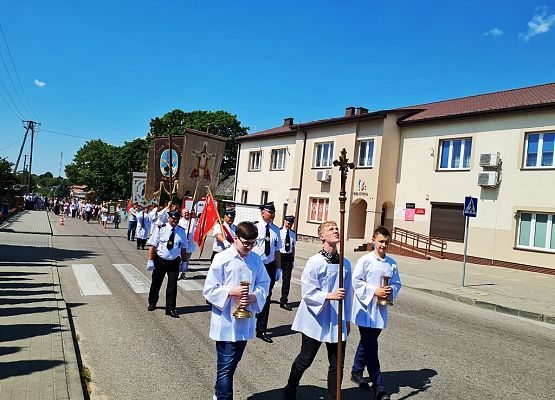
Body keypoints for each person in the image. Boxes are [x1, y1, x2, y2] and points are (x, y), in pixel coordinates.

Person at [282, 221, 352, 400]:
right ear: (322, 236)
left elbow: (349, 294)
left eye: (337, 228)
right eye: (331, 229)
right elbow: (308, 292)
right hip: (317, 317)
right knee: (305, 359)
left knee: (337, 363)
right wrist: (329, 295)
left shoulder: (346, 263)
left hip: (337, 318)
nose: (336, 231)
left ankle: (333, 397)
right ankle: (291, 387)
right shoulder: (315, 262)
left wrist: (347, 319)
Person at [203, 221, 270, 400]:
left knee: (232, 364)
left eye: (252, 243)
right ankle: (223, 397)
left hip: (245, 320)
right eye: (245, 243)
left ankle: (218, 394)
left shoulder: (255, 259)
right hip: (225, 320)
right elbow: (209, 290)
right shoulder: (222, 259)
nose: (248, 247)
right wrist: (231, 292)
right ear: (235, 239)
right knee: (225, 366)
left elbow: (264, 283)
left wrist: (254, 296)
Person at [350, 226, 401, 400]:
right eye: (380, 242)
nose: (383, 245)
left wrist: (389, 290)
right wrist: (374, 291)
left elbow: (397, 283)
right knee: (371, 347)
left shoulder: (392, 263)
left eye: (386, 242)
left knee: (367, 343)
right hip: (365, 309)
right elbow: (356, 282)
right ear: (374, 240)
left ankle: (356, 371)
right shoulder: (365, 260)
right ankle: (379, 386)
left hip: (380, 310)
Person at [146, 210, 188, 318]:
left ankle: (170, 308)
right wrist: (150, 260)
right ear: (169, 218)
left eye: (177, 219)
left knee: (172, 286)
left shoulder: (181, 231)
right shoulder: (160, 229)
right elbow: (152, 246)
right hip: (160, 261)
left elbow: (183, 248)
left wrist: (184, 262)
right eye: (173, 218)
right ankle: (152, 302)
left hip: (174, 262)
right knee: (156, 283)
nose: (175, 221)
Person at [252, 202, 282, 343]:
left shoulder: (276, 230)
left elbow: (277, 251)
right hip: (254, 265)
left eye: (273, 212)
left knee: (266, 296)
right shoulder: (254, 227)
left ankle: (261, 329)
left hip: (269, 266)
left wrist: (278, 268)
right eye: (270, 212)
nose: (272, 215)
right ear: (263, 212)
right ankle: (246, 323)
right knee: (249, 294)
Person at [279, 215, 297, 311]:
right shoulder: (278, 231)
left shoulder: (293, 234)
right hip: (279, 256)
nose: (289, 225)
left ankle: (284, 301)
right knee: (272, 279)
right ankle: (266, 298)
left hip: (288, 257)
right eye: (288, 223)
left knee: (286, 280)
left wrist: (293, 260)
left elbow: (293, 247)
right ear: (285, 221)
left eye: (291, 224)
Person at [177, 208, 197, 280]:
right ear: (182, 214)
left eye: (187, 212)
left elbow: (197, 228)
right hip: (181, 245)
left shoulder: (192, 221)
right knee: (179, 260)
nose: (187, 214)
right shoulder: (179, 221)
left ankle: (183, 273)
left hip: (190, 245)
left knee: (186, 260)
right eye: (185, 213)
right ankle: (176, 273)